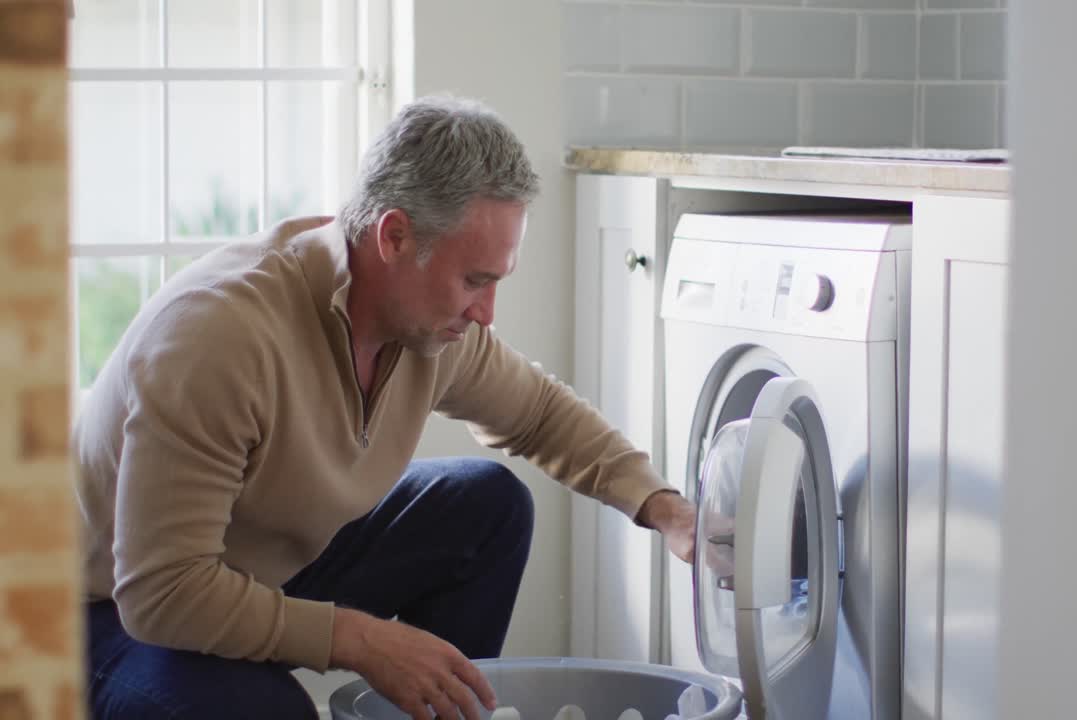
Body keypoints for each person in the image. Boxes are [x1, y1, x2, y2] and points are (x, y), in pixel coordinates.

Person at [74, 94, 697, 720]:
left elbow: (538, 415)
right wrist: (363, 641)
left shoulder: (429, 329)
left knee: (488, 507)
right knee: (270, 713)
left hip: (263, 568)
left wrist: (663, 508)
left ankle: (445, 709)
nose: (486, 313)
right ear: (394, 236)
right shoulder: (217, 337)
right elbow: (162, 592)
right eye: (475, 280)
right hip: (103, 613)